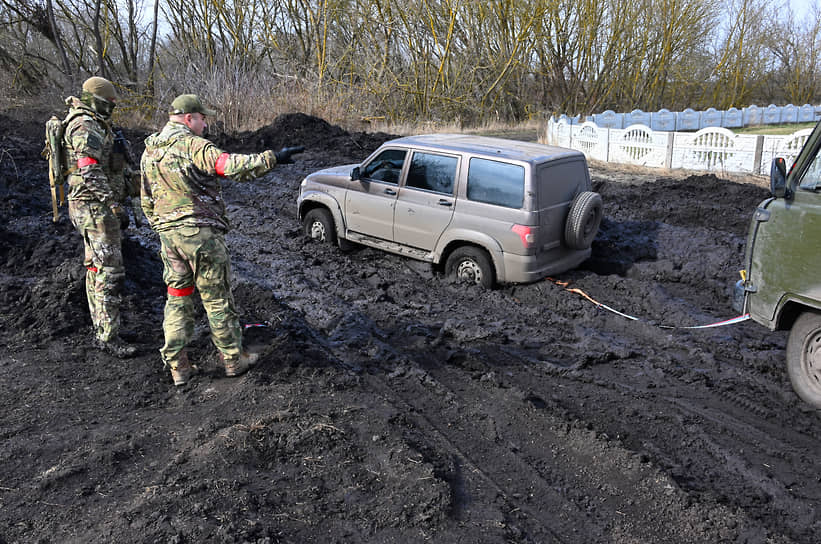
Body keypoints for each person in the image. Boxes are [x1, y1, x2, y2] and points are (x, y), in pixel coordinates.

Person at [140, 94, 303, 386]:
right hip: (200, 235)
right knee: (216, 298)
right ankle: (232, 360)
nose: (205, 125)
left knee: (177, 299)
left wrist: (164, 227)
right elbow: (229, 166)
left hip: (169, 237)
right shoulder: (193, 145)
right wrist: (272, 158)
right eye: (203, 119)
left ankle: (179, 367)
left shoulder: (150, 151)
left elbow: (146, 198)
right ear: (189, 118)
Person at [63, 76, 136, 358]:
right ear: (96, 101)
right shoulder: (85, 124)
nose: (112, 107)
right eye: (109, 103)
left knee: (96, 268)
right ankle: (108, 336)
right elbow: (89, 168)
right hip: (94, 208)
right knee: (110, 272)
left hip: (93, 206)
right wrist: (112, 203)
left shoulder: (94, 122)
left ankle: (105, 328)